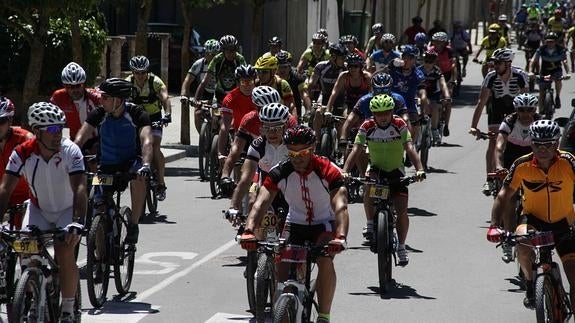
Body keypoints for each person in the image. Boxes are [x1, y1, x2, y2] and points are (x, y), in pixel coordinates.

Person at [240, 125, 349, 323]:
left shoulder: (328, 170)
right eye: (292, 152)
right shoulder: (280, 171)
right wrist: (249, 230)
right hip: (295, 223)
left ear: (313, 148)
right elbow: (261, 203)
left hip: (323, 224)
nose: (297, 158)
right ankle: (282, 310)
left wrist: (340, 236)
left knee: (324, 259)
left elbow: (340, 206)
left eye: (303, 152)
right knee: (281, 274)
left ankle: (324, 315)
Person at [0, 102, 86, 322]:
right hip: (39, 208)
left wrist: (77, 221)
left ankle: (67, 308)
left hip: (67, 210)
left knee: (63, 249)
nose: (58, 135)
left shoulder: (70, 150)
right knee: (27, 251)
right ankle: (33, 293)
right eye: (52, 130)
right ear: (37, 131)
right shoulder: (22, 153)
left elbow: (80, 187)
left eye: (60, 128)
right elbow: (5, 189)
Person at [488, 119, 575, 310]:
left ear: (556, 144)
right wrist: (494, 225)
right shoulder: (521, 164)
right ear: (531, 143)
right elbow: (503, 195)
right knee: (521, 241)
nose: (542, 149)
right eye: (537, 144)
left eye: (548, 144)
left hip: (565, 222)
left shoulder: (569, 162)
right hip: (533, 220)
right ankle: (529, 284)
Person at [342, 94, 426, 265]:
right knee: (368, 186)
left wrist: (419, 169)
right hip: (376, 170)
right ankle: (371, 223)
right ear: (372, 114)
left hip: (396, 172)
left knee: (402, 211)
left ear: (391, 112)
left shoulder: (400, 125)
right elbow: (356, 150)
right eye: (378, 114)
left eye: (386, 113)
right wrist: (345, 171)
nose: (382, 117)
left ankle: (401, 247)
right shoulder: (367, 126)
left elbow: (410, 148)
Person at [75, 78, 153, 245]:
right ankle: (100, 260)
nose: (100, 100)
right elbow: (81, 137)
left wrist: (145, 165)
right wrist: (70, 156)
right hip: (105, 168)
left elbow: (147, 140)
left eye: (105, 97)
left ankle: (133, 224)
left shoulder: (137, 114)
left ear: (118, 100)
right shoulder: (99, 113)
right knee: (98, 209)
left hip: (130, 165)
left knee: (140, 178)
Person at [219, 85, 298, 197]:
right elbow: (236, 148)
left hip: (283, 162)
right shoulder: (249, 119)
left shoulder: (289, 121)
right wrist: (225, 175)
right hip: (258, 160)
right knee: (251, 195)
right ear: (256, 107)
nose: (268, 113)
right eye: (263, 109)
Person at [470, 48, 528, 195]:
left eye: (498, 63)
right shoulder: (491, 77)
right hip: (496, 110)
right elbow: (481, 102)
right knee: (493, 140)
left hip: (515, 111)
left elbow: (527, 102)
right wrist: (473, 126)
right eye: (494, 62)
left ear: (508, 64)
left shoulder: (520, 75)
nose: (495, 65)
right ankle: (489, 179)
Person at [493, 93, 541, 262]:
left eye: (530, 110)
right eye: (522, 110)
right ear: (516, 110)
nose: (526, 113)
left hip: (532, 164)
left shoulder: (539, 122)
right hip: (511, 163)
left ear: (534, 109)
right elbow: (499, 147)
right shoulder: (509, 121)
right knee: (510, 199)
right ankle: (508, 236)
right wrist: (499, 167)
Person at [226, 103, 292, 215]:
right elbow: (245, 179)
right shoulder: (257, 146)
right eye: (267, 128)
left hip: (291, 187)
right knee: (253, 205)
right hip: (265, 185)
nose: (272, 133)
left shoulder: (293, 144)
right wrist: (234, 206)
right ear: (262, 128)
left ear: (285, 126)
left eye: (276, 128)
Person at [126, 55, 171, 201]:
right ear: (132, 72)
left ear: (147, 71)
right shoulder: (128, 82)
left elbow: (165, 97)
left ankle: (161, 183)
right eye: (137, 72)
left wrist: (168, 114)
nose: (140, 76)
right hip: (136, 118)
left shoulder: (155, 81)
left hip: (154, 117)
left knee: (155, 146)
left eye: (143, 72)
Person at [0, 97, 34, 229]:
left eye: (1, 121)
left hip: (25, 197)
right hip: (2, 195)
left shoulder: (26, 139)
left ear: (10, 120)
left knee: (26, 241)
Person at [306, 42, 347, 143]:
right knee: (317, 113)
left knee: (343, 119)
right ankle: (317, 140)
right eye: (342, 58)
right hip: (324, 96)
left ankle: (341, 143)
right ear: (333, 57)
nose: (344, 60)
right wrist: (311, 100)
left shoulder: (346, 68)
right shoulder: (321, 66)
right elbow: (311, 84)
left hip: (341, 99)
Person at [50, 62, 101, 142]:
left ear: (84, 84)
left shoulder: (94, 97)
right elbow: (51, 122)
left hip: (96, 140)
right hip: (73, 140)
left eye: (78, 86)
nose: (74, 90)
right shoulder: (58, 97)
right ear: (64, 86)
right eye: (69, 86)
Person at [180, 39, 220, 134]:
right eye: (208, 53)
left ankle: (218, 135)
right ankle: (203, 138)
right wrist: (183, 95)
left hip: (219, 92)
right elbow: (187, 80)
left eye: (213, 54)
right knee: (197, 113)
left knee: (217, 115)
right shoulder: (199, 64)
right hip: (204, 91)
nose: (210, 56)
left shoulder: (222, 64)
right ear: (204, 52)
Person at [194, 35, 247, 104]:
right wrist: (196, 99)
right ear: (223, 50)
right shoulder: (217, 59)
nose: (230, 53)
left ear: (236, 49)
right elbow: (205, 81)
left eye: (232, 50)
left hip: (235, 93)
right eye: (227, 50)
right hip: (219, 94)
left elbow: (245, 78)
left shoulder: (240, 59)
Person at [528, 32, 570, 110]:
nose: (549, 43)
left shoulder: (561, 49)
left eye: (552, 42)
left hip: (556, 71)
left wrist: (568, 73)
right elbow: (533, 60)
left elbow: (565, 61)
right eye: (547, 41)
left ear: (556, 41)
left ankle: (557, 96)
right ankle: (540, 111)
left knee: (558, 80)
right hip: (544, 71)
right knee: (541, 92)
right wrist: (530, 71)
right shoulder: (541, 49)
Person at [419, 49, 452, 144]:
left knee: (434, 107)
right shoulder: (418, 70)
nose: (428, 63)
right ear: (423, 60)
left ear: (434, 62)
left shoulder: (437, 71)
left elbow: (443, 84)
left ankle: (434, 130)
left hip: (434, 94)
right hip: (421, 93)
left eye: (431, 61)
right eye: (426, 61)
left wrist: (447, 95)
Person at [275, 51, 307, 119]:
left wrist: (308, 110)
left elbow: (304, 95)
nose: (282, 70)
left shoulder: (297, 77)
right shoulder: (271, 78)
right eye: (279, 67)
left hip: (294, 110)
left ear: (290, 67)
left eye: (285, 67)